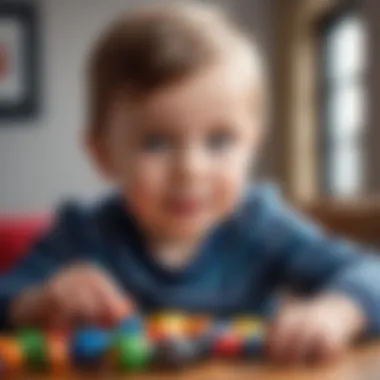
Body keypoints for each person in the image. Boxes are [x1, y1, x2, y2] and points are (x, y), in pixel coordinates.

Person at [1, 1, 380, 365]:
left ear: (252, 145)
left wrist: (337, 312)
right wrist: (39, 302)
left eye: (219, 141)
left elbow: (370, 274)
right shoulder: (84, 234)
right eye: (156, 143)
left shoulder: (262, 226)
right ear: (103, 154)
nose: (190, 169)